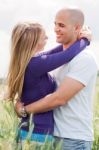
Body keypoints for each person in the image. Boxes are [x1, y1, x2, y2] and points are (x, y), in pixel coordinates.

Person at [15, 8, 98, 150]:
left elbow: (59, 99)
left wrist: (24, 109)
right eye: (55, 24)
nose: (55, 29)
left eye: (61, 25)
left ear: (77, 27)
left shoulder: (85, 58)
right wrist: (84, 39)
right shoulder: (45, 61)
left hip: (72, 139)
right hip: (50, 136)